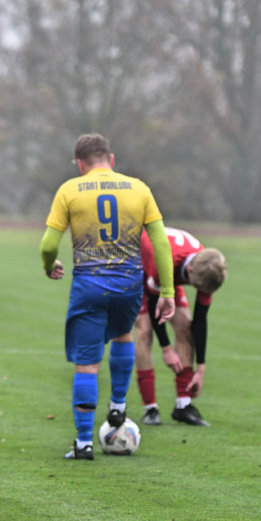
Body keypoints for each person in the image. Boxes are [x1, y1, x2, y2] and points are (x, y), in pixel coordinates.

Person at [40, 133, 176, 460]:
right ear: (110, 160)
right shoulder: (139, 189)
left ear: (79, 164)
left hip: (90, 284)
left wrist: (49, 265)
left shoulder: (70, 190)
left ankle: (84, 442)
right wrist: (168, 291)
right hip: (129, 284)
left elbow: (48, 245)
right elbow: (160, 243)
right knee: (123, 334)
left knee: (87, 363)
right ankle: (117, 405)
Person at [134, 227, 228, 427]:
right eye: (196, 286)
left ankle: (183, 405)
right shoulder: (164, 264)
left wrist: (201, 368)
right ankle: (151, 409)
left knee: (185, 326)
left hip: (170, 275)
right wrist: (166, 349)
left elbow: (200, 320)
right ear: (191, 271)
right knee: (144, 331)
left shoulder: (207, 266)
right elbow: (154, 305)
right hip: (138, 269)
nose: (198, 291)